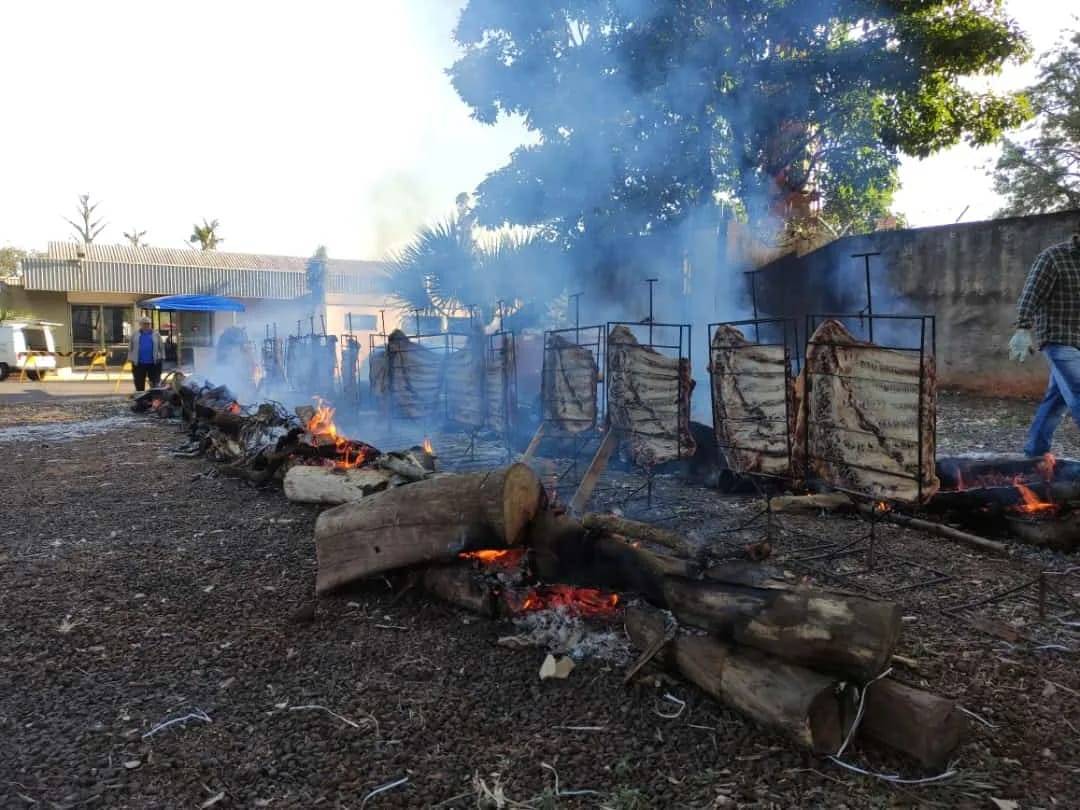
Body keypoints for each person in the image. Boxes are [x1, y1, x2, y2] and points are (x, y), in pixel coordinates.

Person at [1009, 225, 1080, 457]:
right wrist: (1023, 327)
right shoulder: (1053, 257)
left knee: (1056, 400)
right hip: (1059, 338)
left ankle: (1036, 453)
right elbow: (1031, 294)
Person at [128, 315, 164, 392]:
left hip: (154, 363)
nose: (146, 325)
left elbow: (161, 347)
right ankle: (141, 397)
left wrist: (162, 357)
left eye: (148, 323)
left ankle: (154, 397)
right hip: (139, 363)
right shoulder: (135, 334)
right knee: (139, 384)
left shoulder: (156, 334)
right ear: (140, 324)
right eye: (144, 323)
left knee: (155, 384)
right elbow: (130, 347)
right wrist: (130, 358)